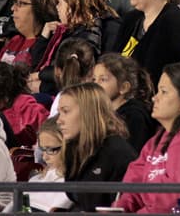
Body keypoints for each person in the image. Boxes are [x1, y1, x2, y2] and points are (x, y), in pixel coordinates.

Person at [112, 64, 180, 214]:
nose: (154, 98)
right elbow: (133, 184)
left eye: (163, 92)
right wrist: (120, 209)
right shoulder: (156, 140)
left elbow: (178, 204)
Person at [55, 81, 138, 213]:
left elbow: (119, 209)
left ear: (88, 112)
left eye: (65, 111)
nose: (59, 120)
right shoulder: (73, 149)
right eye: (59, 112)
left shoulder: (117, 153)